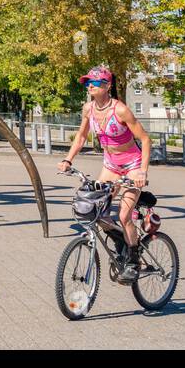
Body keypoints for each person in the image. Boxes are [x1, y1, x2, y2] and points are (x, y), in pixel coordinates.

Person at [58, 66, 153, 282]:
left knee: (123, 215)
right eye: (87, 82)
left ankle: (133, 260)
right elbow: (81, 137)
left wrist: (142, 172)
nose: (90, 85)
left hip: (132, 165)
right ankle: (121, 240)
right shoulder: (88, 109)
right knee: (94, 210)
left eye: (95, 82)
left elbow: (146, 140)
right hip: (110, 165)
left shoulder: (120, 110)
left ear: (108, 86)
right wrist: (67, 160)